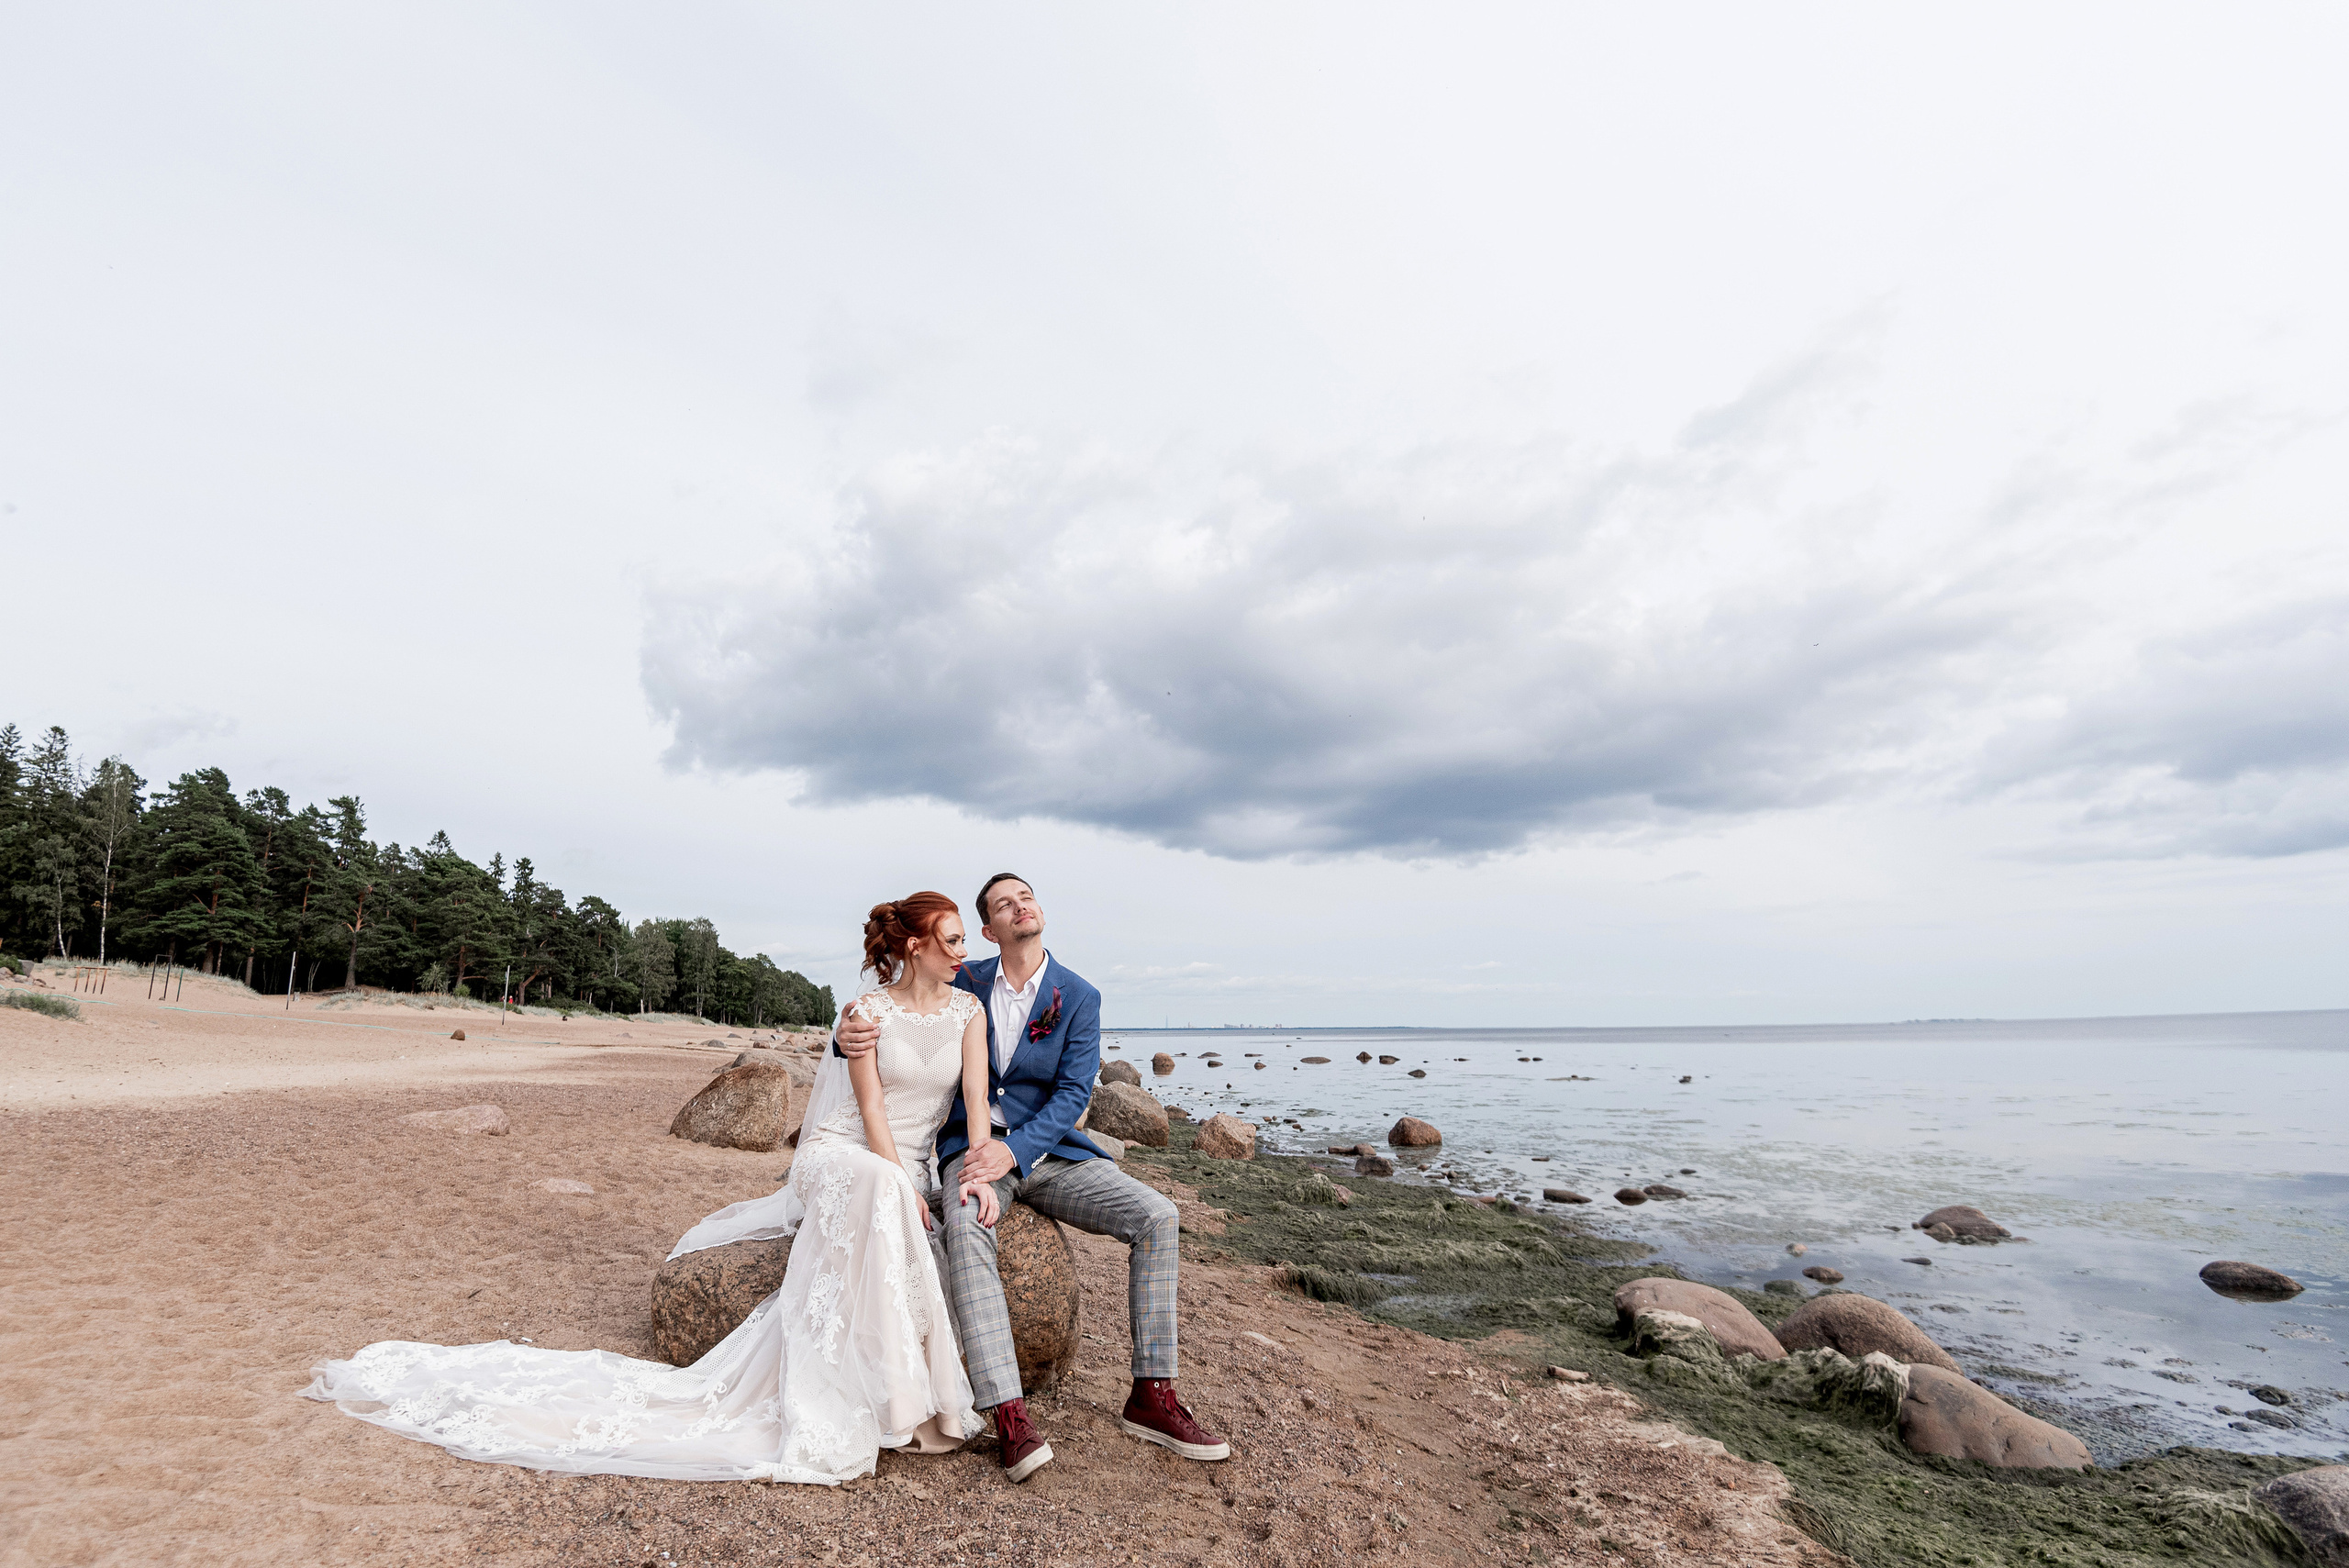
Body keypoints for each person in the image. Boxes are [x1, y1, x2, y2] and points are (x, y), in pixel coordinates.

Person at [303, 893, 995, 1485]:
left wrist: (971, 1166)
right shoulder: (867, 1010)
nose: (963, 950)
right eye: (954, 939)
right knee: (879, 1182)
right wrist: (899, 1179)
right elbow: (870, 1110)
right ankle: (896, 1402)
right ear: (914, 944)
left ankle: (907, 1398)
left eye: (964, 939)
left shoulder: (969, 1012)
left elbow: (971, 1099)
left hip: (906, 1161)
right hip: (842, 1153)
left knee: (890, 1184)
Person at [833, 872, 1229, 1483]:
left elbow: (1074, 1094)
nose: (1020, 905)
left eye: (1027, 896)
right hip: (968, 1147)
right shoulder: (962, 976)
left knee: (1159, 1214)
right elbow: (896, 1005)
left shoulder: (1080, 995)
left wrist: (1014, 1151)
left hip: (1051, 1153)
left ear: (1039, 911)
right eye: (1003, 903)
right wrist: (843, 1034)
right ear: (989, 929)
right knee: (964, 1228)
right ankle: (1009, 1413)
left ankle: (1153, 1393)